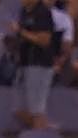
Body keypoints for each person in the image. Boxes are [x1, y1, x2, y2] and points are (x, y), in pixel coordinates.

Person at [14, 0, 56, 129]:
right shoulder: (23, 11)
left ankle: (42, 137)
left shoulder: (42, 12)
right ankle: (43, 133)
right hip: (24, 64)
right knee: (19, 110)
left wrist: (21, 32)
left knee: (36, 111)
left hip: (39, 64)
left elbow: (45, 40)